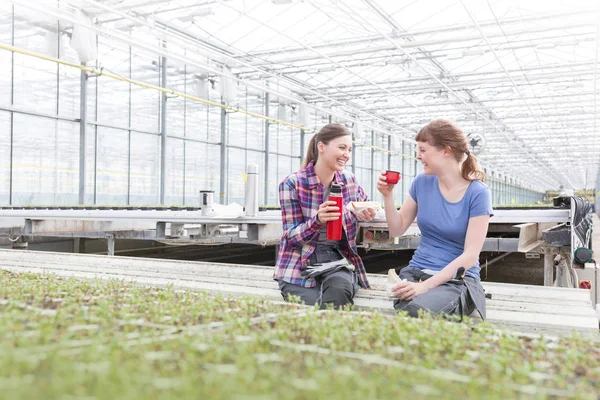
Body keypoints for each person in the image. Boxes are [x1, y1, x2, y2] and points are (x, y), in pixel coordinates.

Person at [377, 119, 492, 319]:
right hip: (417, 272)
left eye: (423, 150)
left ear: (446, 150)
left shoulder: (478, 193)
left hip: (458, 280)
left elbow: (470, 256)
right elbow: (397, 230)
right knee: (414, 309)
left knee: (415, 309)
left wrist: (423, 288)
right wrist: (387, 196)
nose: (418, 156)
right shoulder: (421, 182)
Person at [273, 124, 376, 308]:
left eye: (350, 149)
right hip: (299, 264)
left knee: (338, 292)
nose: (347, 154)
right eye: (342, 147)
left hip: (336, 259)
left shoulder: (349, 180)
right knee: (313, 305)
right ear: (321, 147)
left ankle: (327, 335)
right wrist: (317, 220)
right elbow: (291, 238)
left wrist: (366, 212)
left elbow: (362, 206)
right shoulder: (293, 183)